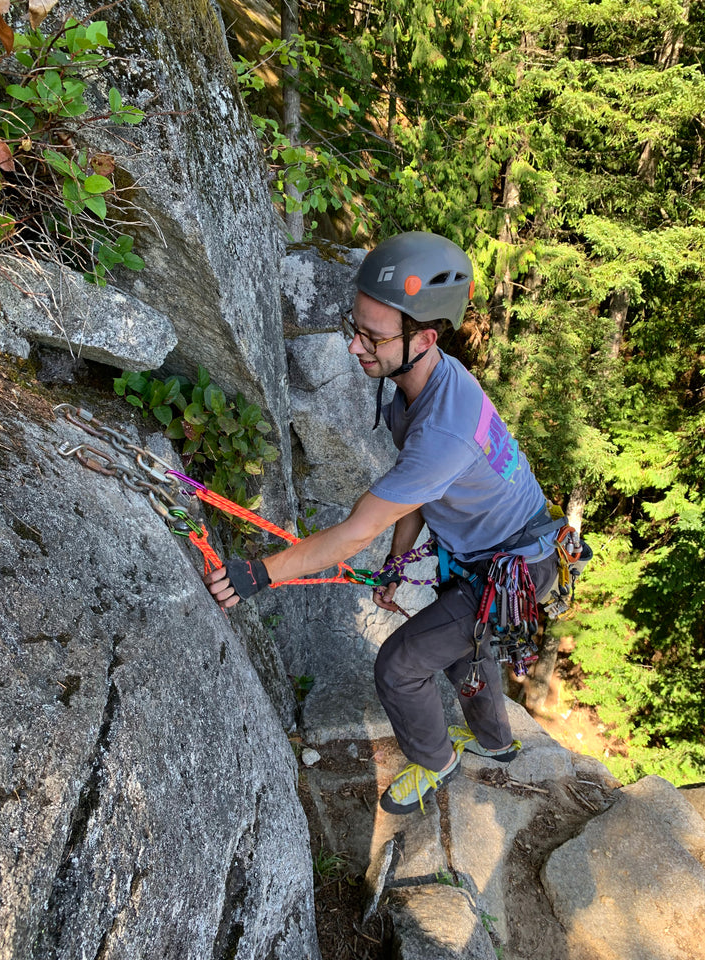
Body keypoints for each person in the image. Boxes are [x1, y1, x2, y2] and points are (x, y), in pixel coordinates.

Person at [204, 231, 560, 815]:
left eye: (372, 336)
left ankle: (436, 760)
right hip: (496, 553)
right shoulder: (422, 384)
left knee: (398, 667)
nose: (354, 347)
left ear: (424, 337)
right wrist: (398, 563)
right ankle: (496, 743)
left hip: (511, 565)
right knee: (463, 649)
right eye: (356, 327)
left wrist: (258, 574)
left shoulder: (443, 425)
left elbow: (353, 532)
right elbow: (414, 497)